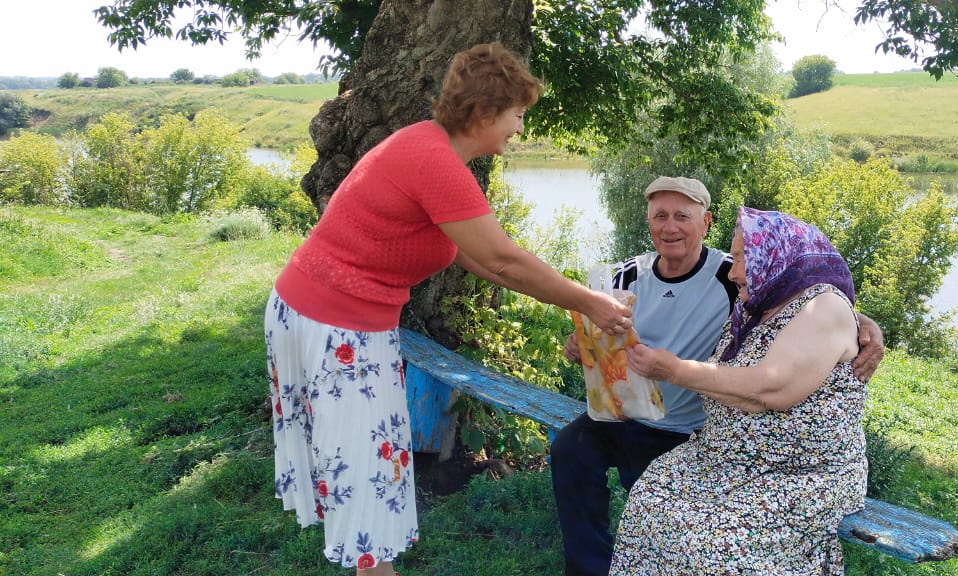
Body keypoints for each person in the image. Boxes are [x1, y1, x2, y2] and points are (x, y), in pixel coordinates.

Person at [262, 43, 632, 576]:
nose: (520, 128)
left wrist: (570, 299)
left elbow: (481, 259)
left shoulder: (429, 148)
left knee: (366, 472)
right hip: (337, 325)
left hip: (323, 313)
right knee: (369, 479)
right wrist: (589, 301)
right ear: (486, 110)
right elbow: (503, 260)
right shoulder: (434, 161)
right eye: (518, 114)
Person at [551, 180, 883, 576]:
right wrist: (582, 345)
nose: (670, 227)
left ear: (706, 222)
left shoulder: (734, 278)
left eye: (682, 216)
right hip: (626, 414)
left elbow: (809, 297)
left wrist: (865, 323)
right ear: (648, 221)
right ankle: (589, 569)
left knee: (674, 518)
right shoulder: (627, 276)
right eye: (660, 216)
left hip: (686, 429)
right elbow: (596, 331)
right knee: (570, 450)